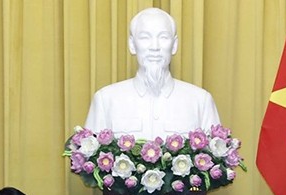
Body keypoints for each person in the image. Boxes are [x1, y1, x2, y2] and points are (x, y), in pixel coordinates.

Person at [84, 7, 221, 140]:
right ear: (132, 44)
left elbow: (216, 159)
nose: (154, 47)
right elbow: (88, 159)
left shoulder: (200, 101)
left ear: (174, 45)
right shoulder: (106, 100)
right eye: (145, 38)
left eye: (163, 37)